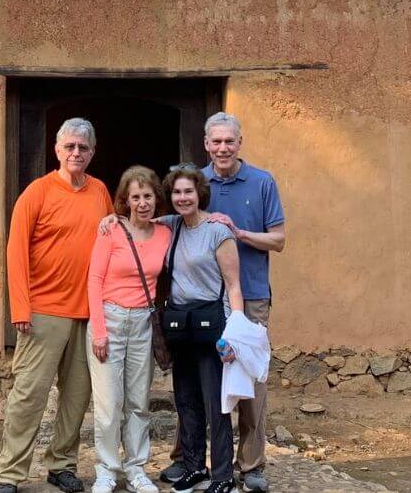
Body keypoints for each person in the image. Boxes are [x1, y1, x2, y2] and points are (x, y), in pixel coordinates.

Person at [161, 114, 285, 493]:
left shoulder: (261, 182)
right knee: (197, 383)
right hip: (205, 305)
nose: (222, 148)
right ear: (205, 143)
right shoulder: (196, 183)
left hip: (251, 294)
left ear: (240, 142)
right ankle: (189, 458)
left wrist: (238, 230)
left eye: (229, 141)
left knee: (248, 386)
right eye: (216, 142)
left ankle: (250, 465)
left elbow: (278, 240)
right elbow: (164, 221)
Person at [0, 118, 113, 493]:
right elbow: (16, 253)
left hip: (89, 313)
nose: (76, 153)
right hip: (44, 311)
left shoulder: (100, 192)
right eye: (69, 147)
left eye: (83, 147)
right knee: (29, 395)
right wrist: (20, 308)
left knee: (77, 398)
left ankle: (61, 464)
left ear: (93, 152)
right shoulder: (37, 192)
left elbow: (114, 242)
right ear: (57, 150)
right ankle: (10, 473)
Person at [157, 164, 244, 493]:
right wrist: (112, 219)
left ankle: (223, 476)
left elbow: (234, 286)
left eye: (188, 192)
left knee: (215, 404)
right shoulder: (170, 226)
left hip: (213, 328)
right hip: (181, 328)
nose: (182, 198)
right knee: (186, 400)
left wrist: (233, 333)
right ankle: (194, 467)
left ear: (199, 194)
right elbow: (136, 223)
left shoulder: (218, 231)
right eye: (177, 192)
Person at [87, 166, 172, 493]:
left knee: (138, 403)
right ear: (125, 200)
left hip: (142, 324)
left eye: (148, 196)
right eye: (135, 197)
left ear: (156, 198)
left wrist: (219, 221)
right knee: (109, 405)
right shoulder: (112, 230)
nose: (142, 203)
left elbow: (193, 220)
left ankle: (136, 469)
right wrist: (99, 330)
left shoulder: (165, 232)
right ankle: (107, 470)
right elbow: (94, 280)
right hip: (109, 318)